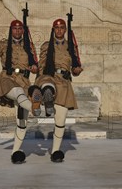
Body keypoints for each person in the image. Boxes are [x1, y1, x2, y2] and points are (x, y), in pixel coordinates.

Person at [0, 20, 42, 164]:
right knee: (19, 93)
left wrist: (35, 68)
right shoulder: (3, 44)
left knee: (22, 121)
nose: (17, 31)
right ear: (11, 30)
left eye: (20, 28)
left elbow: (35, 65)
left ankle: (16, 153)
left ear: (23, 30)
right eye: (14, 29)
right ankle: (35, 107)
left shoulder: (29, 46)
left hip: (24, 81)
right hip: (7, 79)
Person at [35, 17, 83, 162]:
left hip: (64, 83)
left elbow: (74, 69)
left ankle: (55, 151)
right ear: (53, 30)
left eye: (62, 27)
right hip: (50, 77)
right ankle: (46, 96)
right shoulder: (46, 46)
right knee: (47, 84)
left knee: (60, 120)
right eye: (57, 28)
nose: (60, 30)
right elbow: (41, 66)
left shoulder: (71, 47)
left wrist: (77, 71)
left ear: (65, 30)